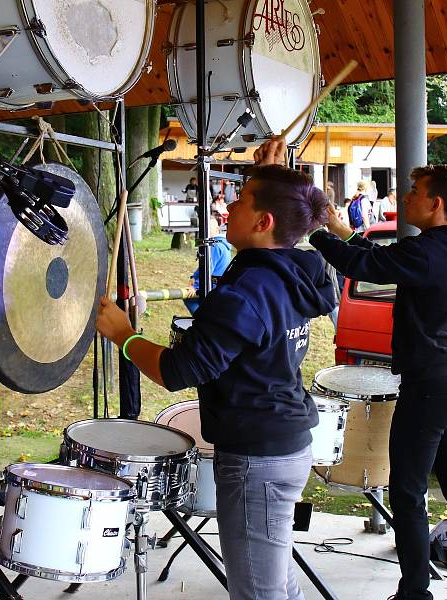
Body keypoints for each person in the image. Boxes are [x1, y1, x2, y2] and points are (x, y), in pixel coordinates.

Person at [96, 154, 335, 600]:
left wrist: (125, 336)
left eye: (241, 201)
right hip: (287, 442)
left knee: (258, 593)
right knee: (277, 582)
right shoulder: (302, 272)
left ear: (263, 222)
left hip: (258, 458)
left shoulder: (247, 292)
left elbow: (178, 370)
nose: (229, 208)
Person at [308, 165, 447, 600]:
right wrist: (337, 225)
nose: (405, 196)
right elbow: (376, 255)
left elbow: (366, 264)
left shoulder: (429, 250)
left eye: (414, 191)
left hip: (429, 386)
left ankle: (415, 591)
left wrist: (316, 232)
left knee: (408, 492)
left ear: (435, 203)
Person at [184, 212, 232, 315]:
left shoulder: (214, 246)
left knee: (188, 298)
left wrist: (195, 287)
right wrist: (194, 276)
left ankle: (202, 321)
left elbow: (208, 268)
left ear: (216, 229)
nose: (205, 230)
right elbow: (204, 265)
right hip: (219, 285)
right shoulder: (222, 245)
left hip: (212, 286)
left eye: (208, 227)